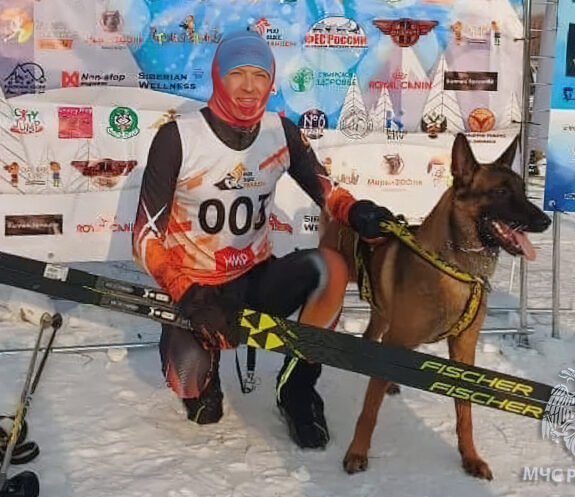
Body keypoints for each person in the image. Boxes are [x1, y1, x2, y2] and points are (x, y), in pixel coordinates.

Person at [133, 30, 392, 449]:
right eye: (237, 73)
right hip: (196, 289)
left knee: (332, 269)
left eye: (260, 75)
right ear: (218, 75)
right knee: (190, 385)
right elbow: (144, 237)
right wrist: (191, 297)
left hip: (256, 277)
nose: (250, 87)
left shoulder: (281, 131)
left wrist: (357, 210)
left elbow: (327, 192)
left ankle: (297, 388)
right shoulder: (178, 137)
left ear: (272, 80)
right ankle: (207, 370)